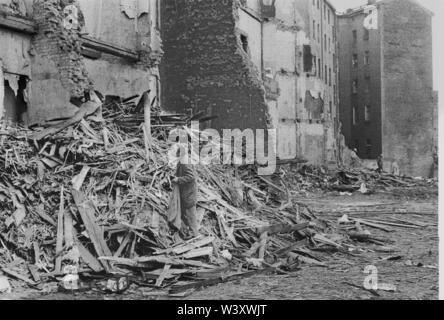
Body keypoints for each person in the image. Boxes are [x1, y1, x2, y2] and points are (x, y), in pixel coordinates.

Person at [172, 146, 199, 238]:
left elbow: (191, 176)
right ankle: (189, 232)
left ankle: (194, 234)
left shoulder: (185, 161)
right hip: (186, 192)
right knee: (186, 214)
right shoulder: (183, 160)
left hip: (189, 193)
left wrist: (178, 179)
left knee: (191, 215)